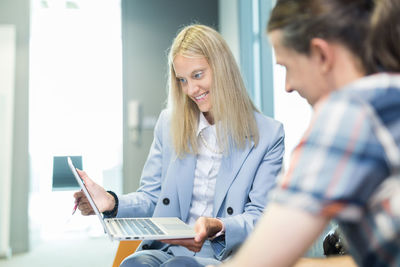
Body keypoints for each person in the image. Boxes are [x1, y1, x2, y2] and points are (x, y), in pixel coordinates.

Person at [73, 24, 285, 267]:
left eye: (198, 75)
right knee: (134, 264)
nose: (191, 90)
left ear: (223, 68)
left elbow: (260, 217)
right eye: (182, 80)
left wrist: (219, 226)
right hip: (168, 248)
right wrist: (111, 202)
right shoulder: (169, 124)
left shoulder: (269, 135)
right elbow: (152, 197)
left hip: (225, 256)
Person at [212, 0, 400, 266]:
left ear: (321, 55)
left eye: (286, 66)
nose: (288, 86)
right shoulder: (390, 97)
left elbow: (258, 262)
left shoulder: (351, 111)